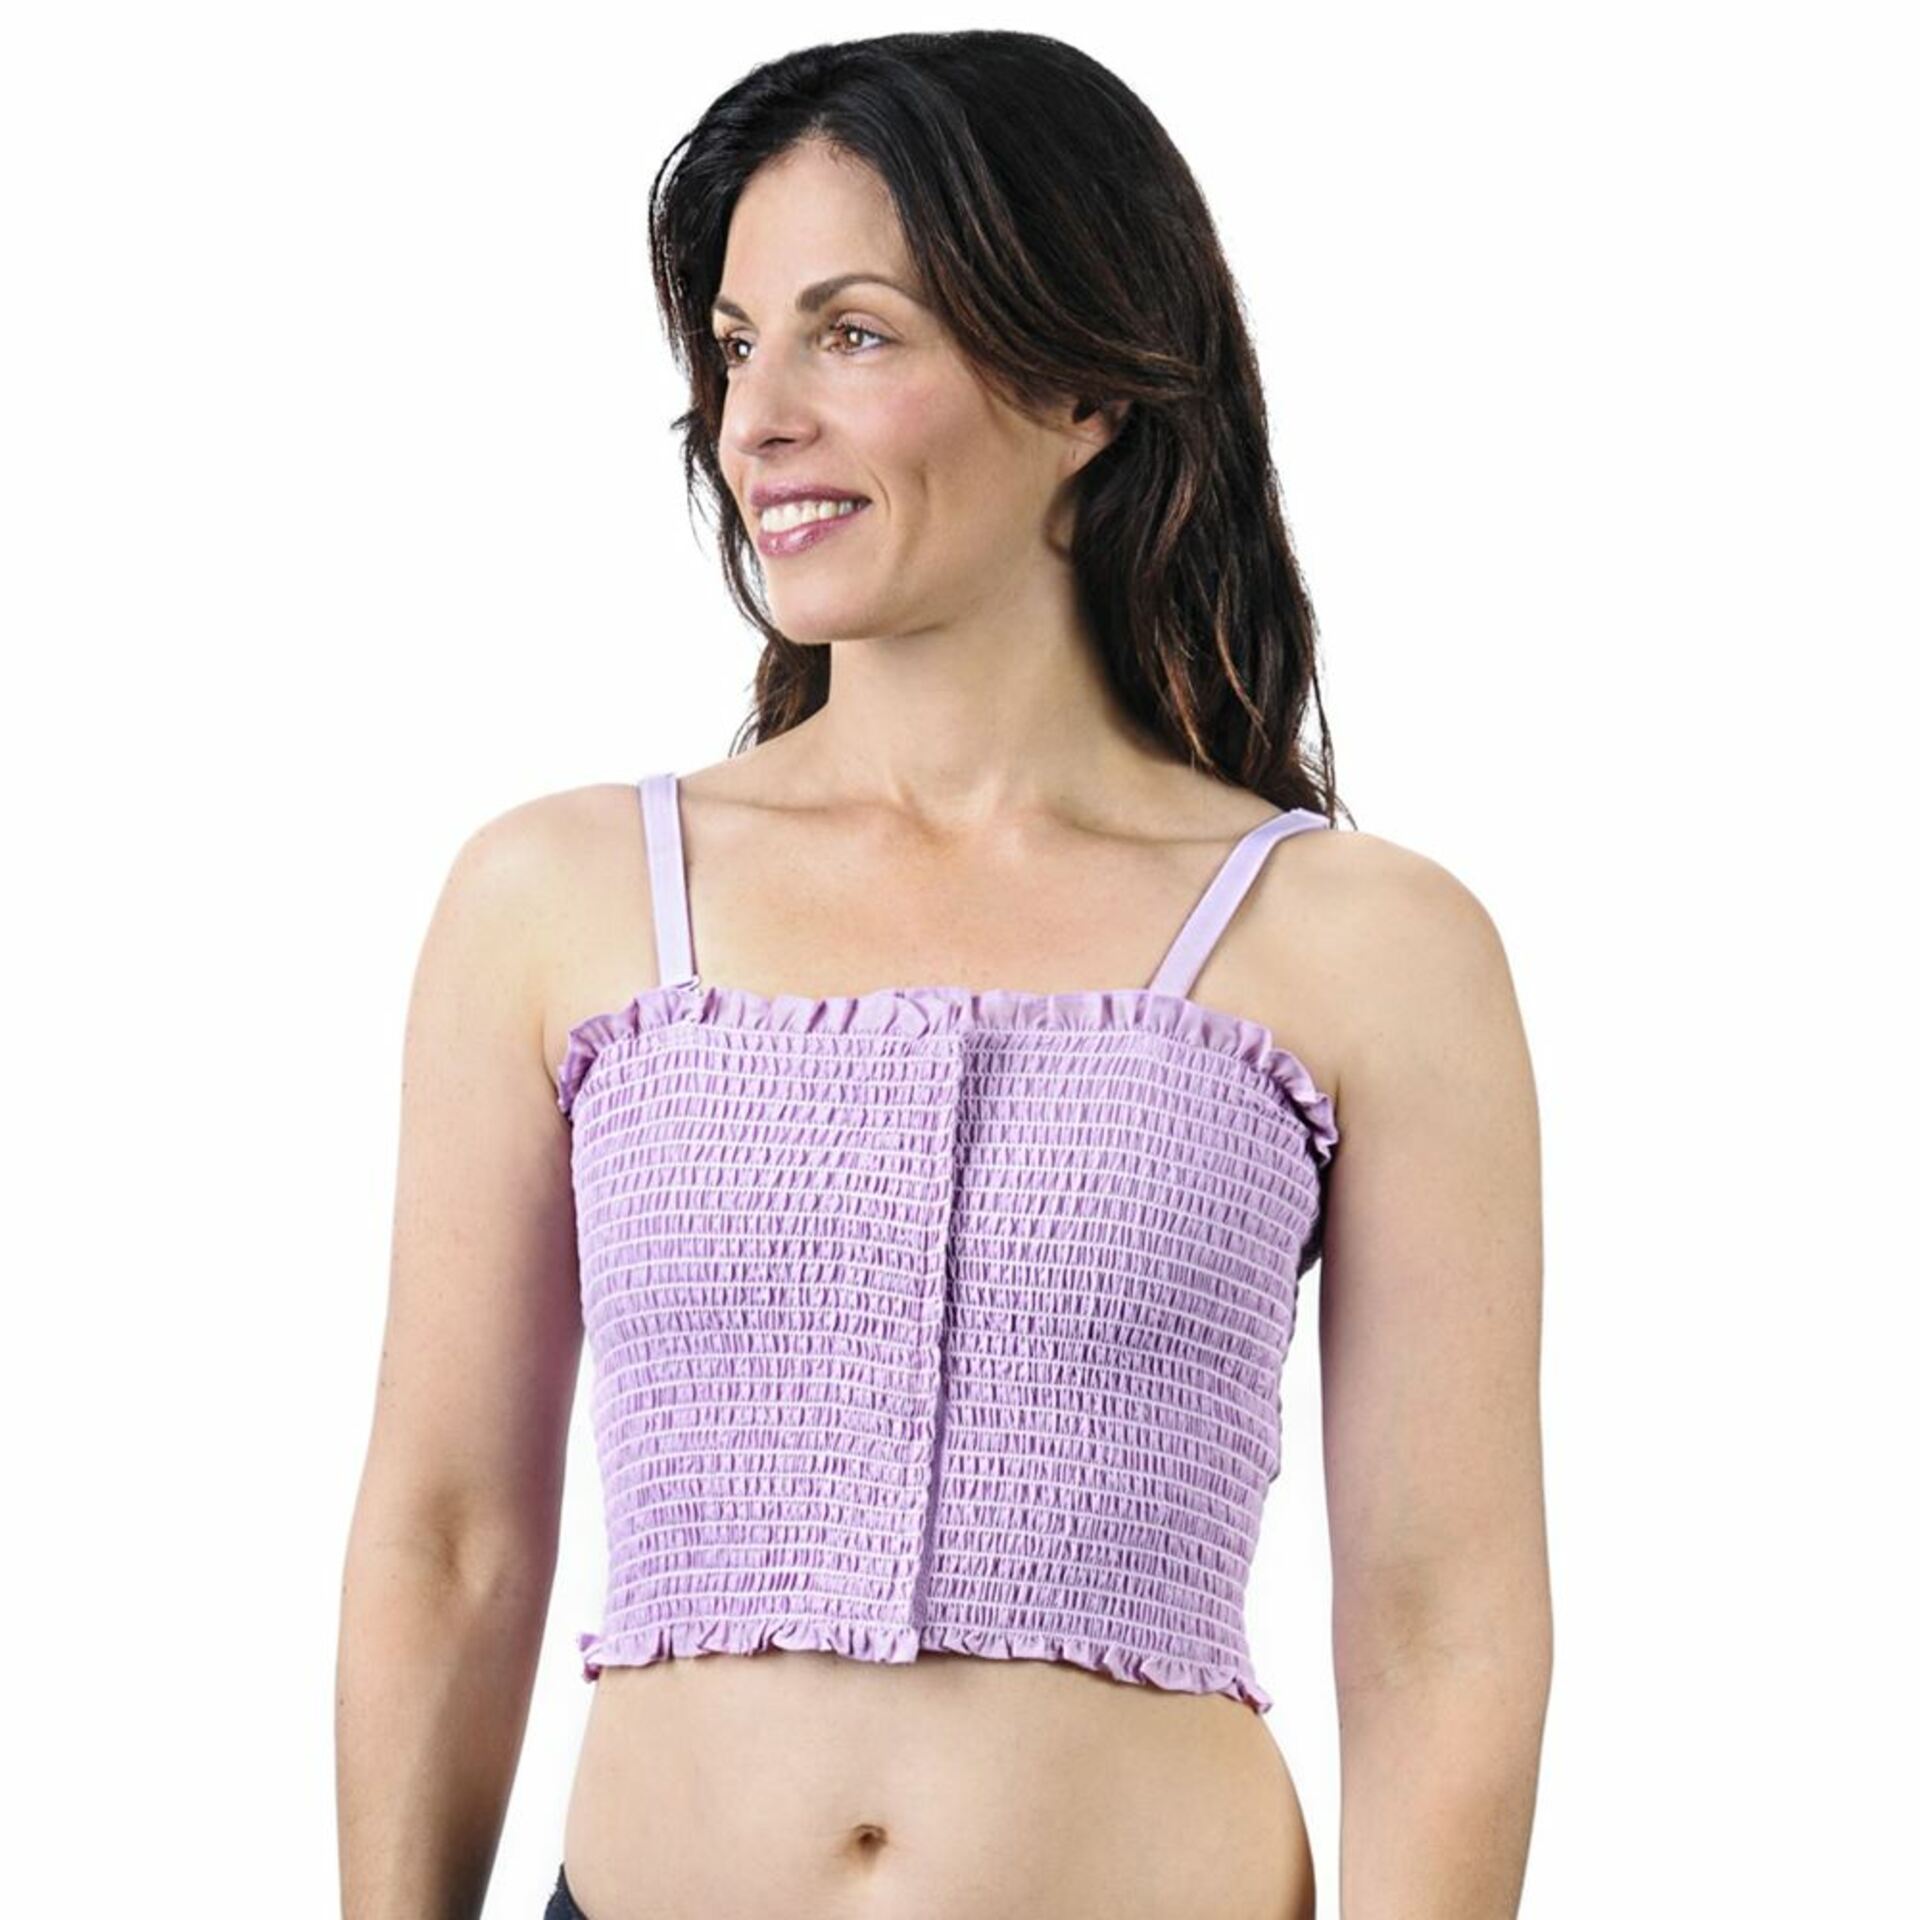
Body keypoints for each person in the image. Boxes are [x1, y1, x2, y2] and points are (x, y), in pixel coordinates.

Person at [335, 30, 1550, 1920]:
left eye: (851, 334)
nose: (755, 421)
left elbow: (1438, 1617)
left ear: (1083, 385)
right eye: (736, 347)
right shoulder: (561, 899)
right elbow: (451, 1541)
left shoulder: (1367, 945)